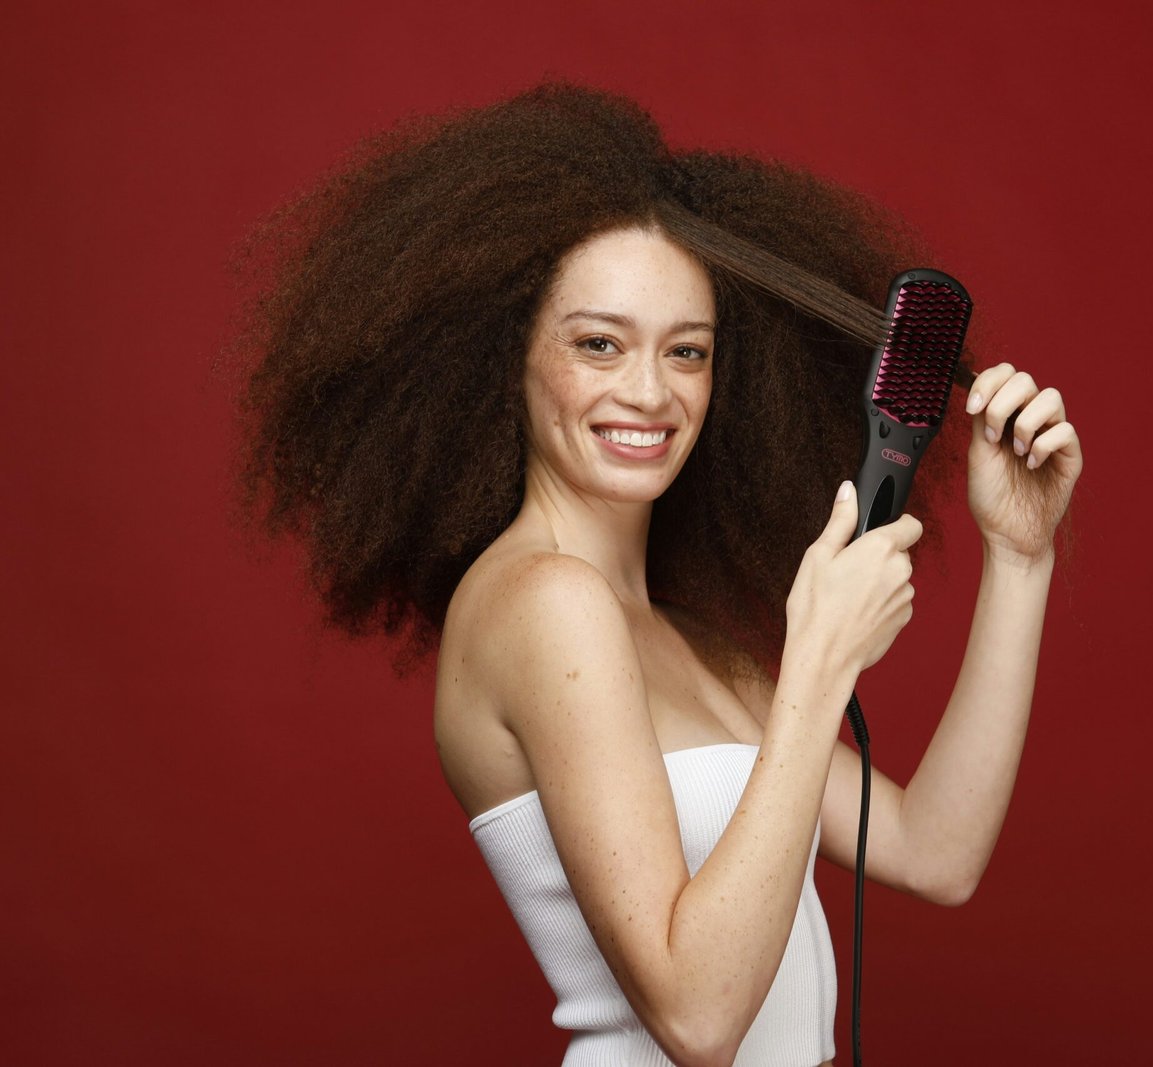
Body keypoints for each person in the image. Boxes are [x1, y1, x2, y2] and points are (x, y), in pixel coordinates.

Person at [230, 83, 1082, 1067]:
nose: (649, 390)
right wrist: (813, 669)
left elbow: (936, 853)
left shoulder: (689, 637)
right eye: (599, 342)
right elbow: (697, 1018)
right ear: (510, 359)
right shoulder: (543, 601)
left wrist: (1020, 557)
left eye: (688, 351)